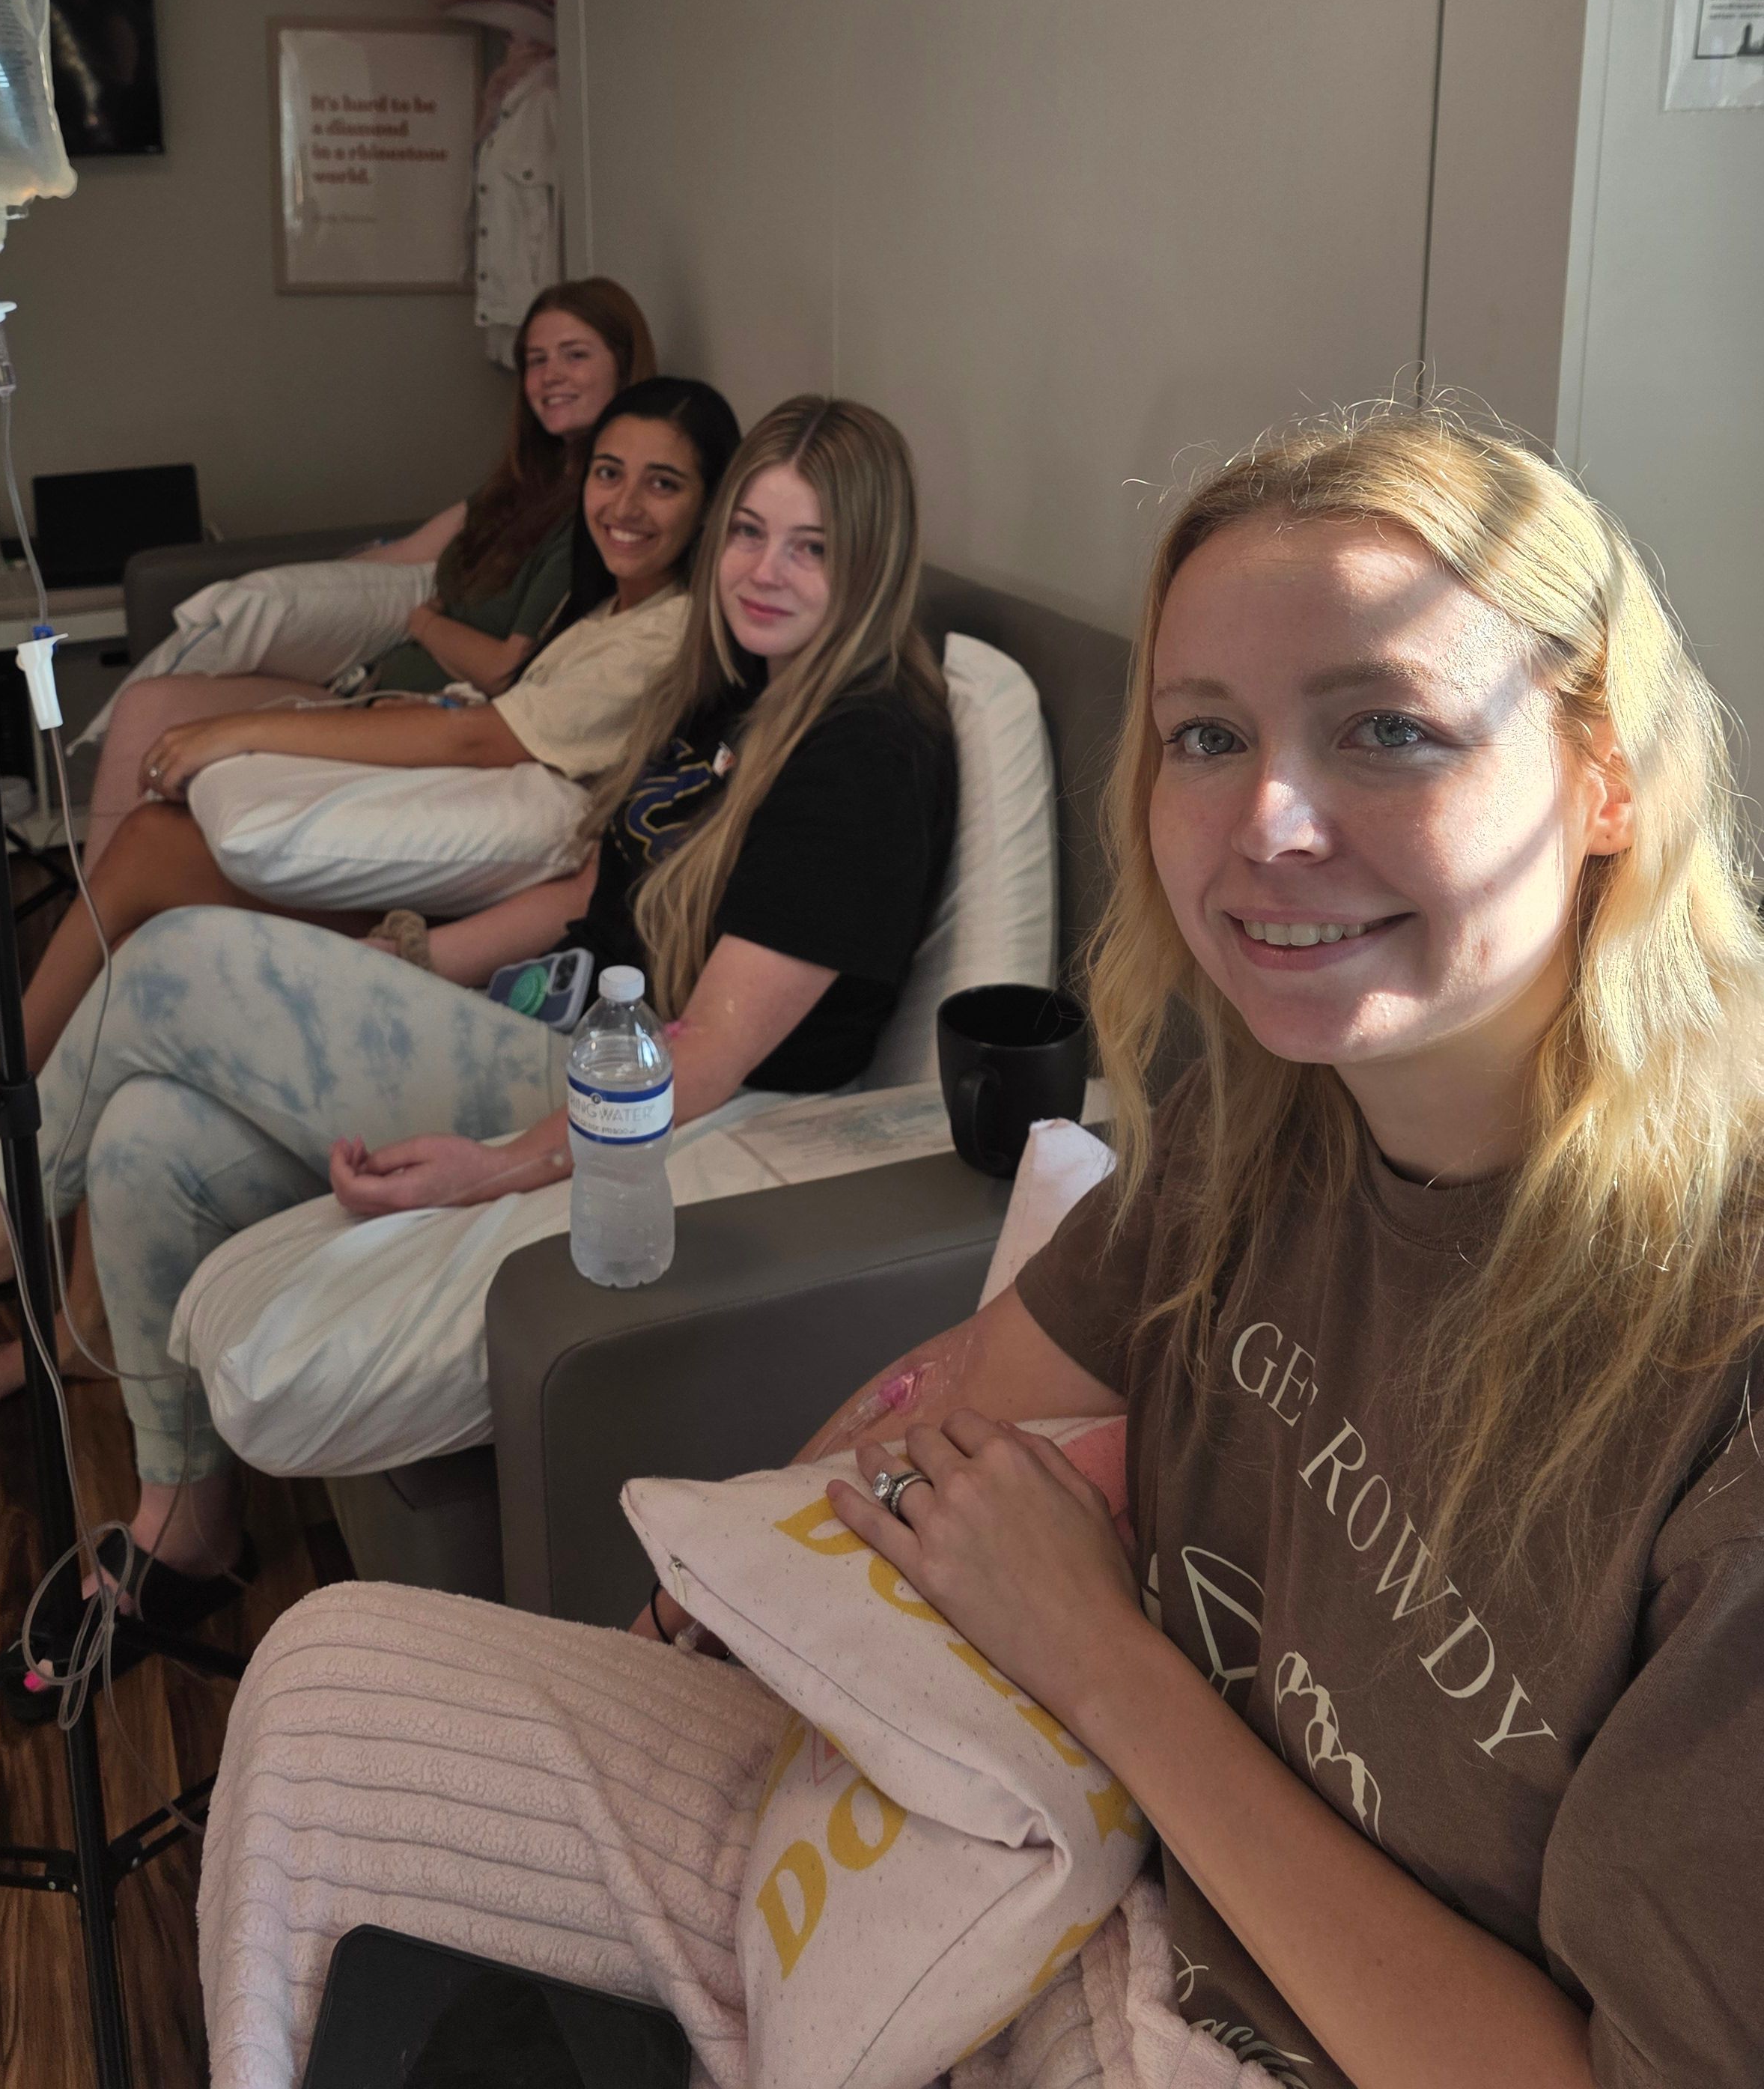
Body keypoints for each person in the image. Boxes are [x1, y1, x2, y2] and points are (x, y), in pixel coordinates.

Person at [189, 402, 1764, 2089]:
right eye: (1205, 735)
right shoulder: (1271, 1116)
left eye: (1385, 726)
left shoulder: (1710, 1363)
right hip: (1056, 1832)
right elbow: (977, 1393)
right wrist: (743, 1581)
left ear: (1604, 774)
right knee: (334, 1679)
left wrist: (1101, 1653)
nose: (1268, 827)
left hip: (1269, 2018)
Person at [0, 397, 955, 1630]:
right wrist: (417, 964)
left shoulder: (865, 750)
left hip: (653, 1105)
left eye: (812, 546)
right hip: (565, 1022)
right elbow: (587, 896)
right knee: (147, 1137)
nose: (764, 571)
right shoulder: (736, 687)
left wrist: (502, 1164)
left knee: (181, 954)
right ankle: (183, 1524)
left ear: (873, 558)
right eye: (750, 534)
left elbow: (713, 1052)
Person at [0, 374, 738, 1414]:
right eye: (611, 474)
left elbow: (490, 742)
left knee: (159, 869)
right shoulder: (606, 603)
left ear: (709, 508)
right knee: (153, 880)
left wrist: (248, 735)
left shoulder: (672, 637)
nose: (626, 505)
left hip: (513, 951)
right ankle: (42, 1243)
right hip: (495, 899)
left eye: (665, 486)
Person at [82, 277, 654, 865]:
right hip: (365, 683)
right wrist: (330, 587)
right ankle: (100, 913)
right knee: (147, 705)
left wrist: (424, 623)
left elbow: (504, 670)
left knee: (174, 777)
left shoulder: (602, 514)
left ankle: (112, 914)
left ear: (625, 363)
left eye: (575, 355)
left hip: (410, 714)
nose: (551, 375)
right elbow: (409, 552)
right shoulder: (519, 486)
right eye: (537, 360)